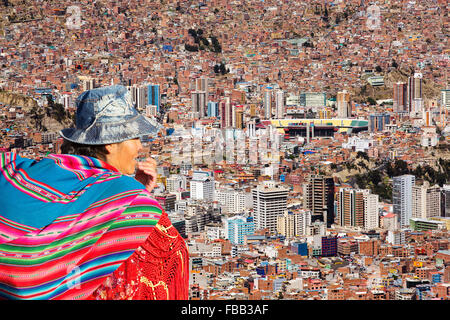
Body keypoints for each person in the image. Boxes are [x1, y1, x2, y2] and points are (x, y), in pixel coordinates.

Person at [0, 85, 189, 300]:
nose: (139, 147)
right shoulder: (132, 200)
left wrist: (132, 189)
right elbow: (169, 257)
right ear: (110, 144)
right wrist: (135, 196)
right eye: (135, 138)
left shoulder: (23, 173)